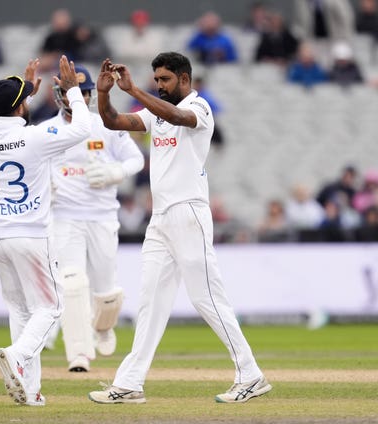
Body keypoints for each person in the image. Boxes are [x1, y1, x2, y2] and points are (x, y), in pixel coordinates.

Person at [87, 52, 271, 404]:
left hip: (189, 213)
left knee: (207, 298)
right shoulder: (156, 113)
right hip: (160, 219)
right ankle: (129, 383)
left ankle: (250, 374)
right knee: (150, 302)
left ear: (184, 79)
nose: (159, 84)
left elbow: (177, 116)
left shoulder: (199, 108)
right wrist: (105, 93)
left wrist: (136, 91)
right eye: (156, 79)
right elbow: (112, 122)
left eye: (165, 80)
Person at [0, 55, 91, 406]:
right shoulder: (36, 138)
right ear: (21, 107)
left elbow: (9, 117)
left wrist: (24, 91)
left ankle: (31, 390)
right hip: (30, 235)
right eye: (24, 99)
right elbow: (83, 129)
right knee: (52, 308)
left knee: (21, 310)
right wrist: (72, 92)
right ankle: (19, 356)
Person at [41, 64, 144, 372]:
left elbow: (136, 159)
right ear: (60, 96)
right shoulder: (49, 130)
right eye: (76, 92)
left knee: (106, 291)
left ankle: (102, 327)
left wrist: (116, 172)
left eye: (87, 93)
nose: (83, 98)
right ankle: (79, 355)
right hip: (65, 217)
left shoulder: (105, 125)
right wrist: (45, 186)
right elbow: (32, 164)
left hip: (102, 217)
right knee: (71, 283)